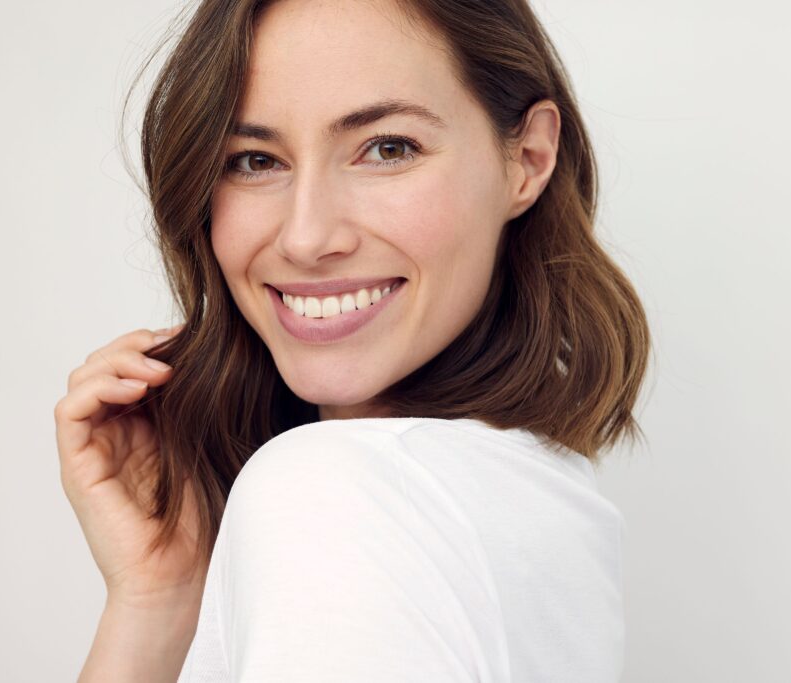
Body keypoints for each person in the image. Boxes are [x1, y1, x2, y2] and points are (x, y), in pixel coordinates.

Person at [53, 0, 652, 680]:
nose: (306, 237)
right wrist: (158, 601)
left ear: (529, 158)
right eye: (254, 160)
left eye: (388, 149)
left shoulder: (332, 495)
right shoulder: (537, 496)